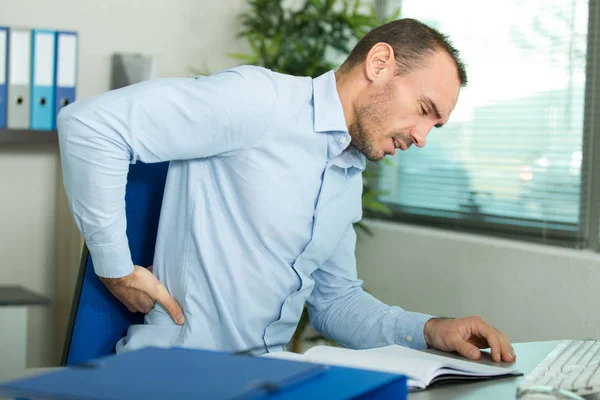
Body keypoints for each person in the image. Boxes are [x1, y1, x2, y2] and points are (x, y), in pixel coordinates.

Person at [57, 18, 516, 362]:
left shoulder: (346, 171)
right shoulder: (261, 101)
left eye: (435, 125)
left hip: (263, 380)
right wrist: (116, 269)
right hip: (180, 374)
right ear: (379, 64)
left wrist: (432, 331)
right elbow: (88, 127)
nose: (421, 137)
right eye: (423, 110)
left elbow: (336, 303)